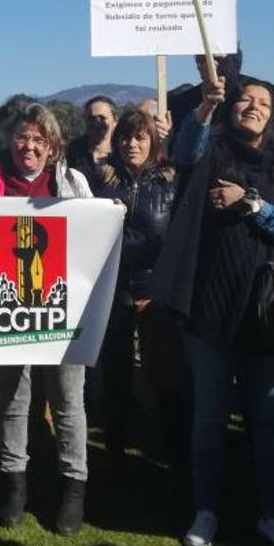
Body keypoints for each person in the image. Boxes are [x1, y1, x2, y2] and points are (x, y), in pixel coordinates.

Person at [151, 75, 274, 546]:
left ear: (273, 114)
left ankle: (273, 516)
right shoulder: (210, 154)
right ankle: (207, 510)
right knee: (210, 417)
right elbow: (184, 152)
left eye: (264, 102)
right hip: (211, 311)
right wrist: (203, 109)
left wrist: (253, 205)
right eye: (246, 99)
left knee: (269, 421)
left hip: (269, 316)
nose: (254, 107)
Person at [0, 103, 93, 534]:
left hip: (61, 307)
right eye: (23, 137)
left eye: (39, 140)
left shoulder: (73, 183)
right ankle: (14, 485)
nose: (30, 147)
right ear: (9, 140)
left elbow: (94, 240)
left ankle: (73, 488)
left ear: (53, 147)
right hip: (5, 306)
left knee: (67, 401)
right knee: (13, 400)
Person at [94, 108, 191, 466]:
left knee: (166, 377)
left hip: (156, 289)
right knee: (115, 374)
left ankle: (176, 456)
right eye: (125, 137)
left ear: (153, 141)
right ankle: (114, 453)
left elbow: (162, 240)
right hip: (112, 288)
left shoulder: (170, 181)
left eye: (140, 137)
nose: (131, 144)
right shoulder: (103, 179)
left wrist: (118, 230)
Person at [65, 95, 117, 191]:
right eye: (91, 118)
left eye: (102, 118)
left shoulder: (123, 152)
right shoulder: (72, 151)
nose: (96, 123)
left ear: (115, 120)